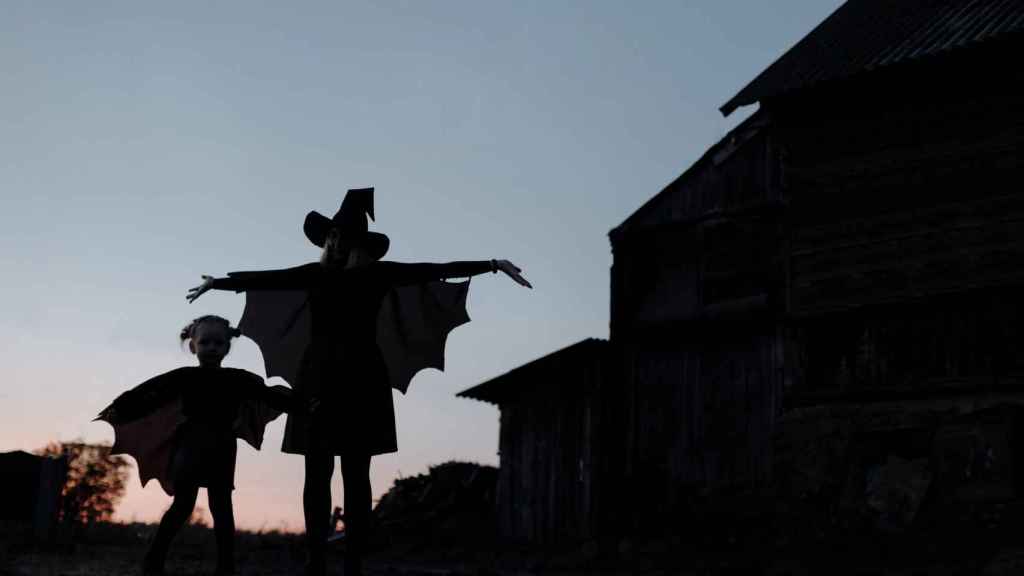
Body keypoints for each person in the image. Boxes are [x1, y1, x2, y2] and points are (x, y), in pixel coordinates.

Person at [186, 188, 530, 576]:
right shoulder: (314, 275)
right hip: (315, 380)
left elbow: (432, 268)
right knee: (316, 472)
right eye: (331, 236)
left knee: (356, 472)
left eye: (341, 237)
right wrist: (218, 283)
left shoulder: (379, 275)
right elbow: (268, 279)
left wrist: (492, 264)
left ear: (358, 243)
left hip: (365, 380)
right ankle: (316, 559)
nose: (334, 243)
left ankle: (353, 561)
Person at [98, 315, 296, 575]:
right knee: (183, 505)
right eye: (205, 342)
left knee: (222, 506)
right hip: (190, 446)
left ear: (227, 347)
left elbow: (268, 395)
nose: (212, 348)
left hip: (223, 447)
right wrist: (120, 407)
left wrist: (302, 405)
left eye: (218, 343)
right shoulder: (184, 377)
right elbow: (150, 391)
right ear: (193, 346)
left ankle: (225, 566)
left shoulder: (239, 379)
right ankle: (153, 561)